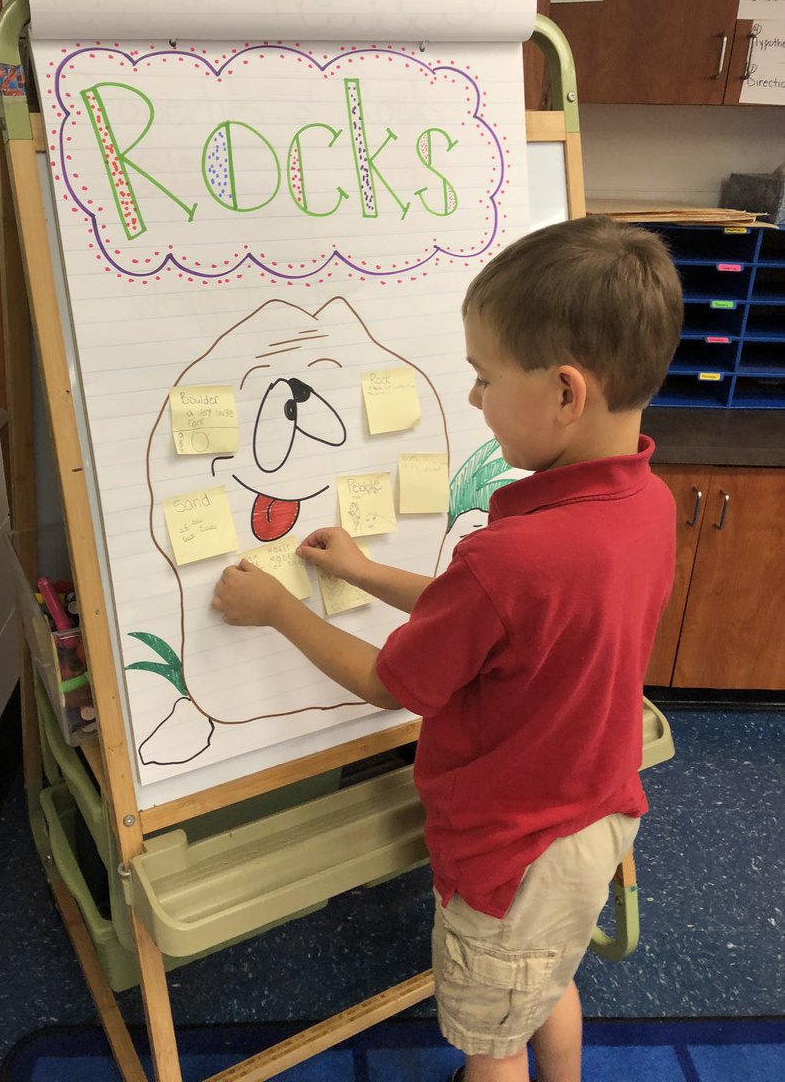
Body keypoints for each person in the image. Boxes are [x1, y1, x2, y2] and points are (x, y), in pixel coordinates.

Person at [212, 215, 684, 1082]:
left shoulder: (510, 558)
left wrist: (278, 605)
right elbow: (503, 627)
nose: (473, 400)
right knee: (547, 981)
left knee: (491, 1038)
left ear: (566, 393)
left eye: (483, 378)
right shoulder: (646, 506)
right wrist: (371, 571)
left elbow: (386, 680)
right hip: (597, 816)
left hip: (511, 852)